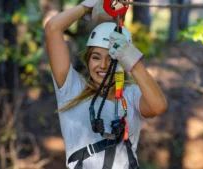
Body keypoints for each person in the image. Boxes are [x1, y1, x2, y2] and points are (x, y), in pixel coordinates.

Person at [44, 0, 167, 169]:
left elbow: (158, 107)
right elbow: (53, 28)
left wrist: (133, 60)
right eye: (96, 57)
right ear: (88, 60)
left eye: (112, 59)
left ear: (123, 62)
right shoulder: (72, 89)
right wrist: (87, 6)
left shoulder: (131, 95)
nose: (102, 65)